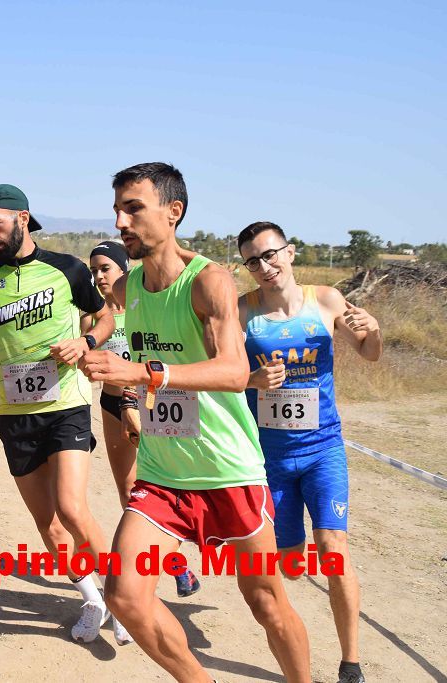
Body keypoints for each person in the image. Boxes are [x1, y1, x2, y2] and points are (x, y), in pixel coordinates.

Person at [79, 162, 311, 682]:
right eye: (117, 209)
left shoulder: (208, 280)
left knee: (266, 602)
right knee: (125, 595)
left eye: (133, 208)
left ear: (173, 211)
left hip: (228, 470)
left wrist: (141, 371)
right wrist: (88, 343)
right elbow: (108, 312)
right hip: (163, 473)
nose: (120, 222)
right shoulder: (130, 284)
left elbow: (233, 370)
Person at [0, 184, 131, 645]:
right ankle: (91, 599)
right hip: (14, 413)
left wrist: (85, 342)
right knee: (49, 526)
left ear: (23, 219)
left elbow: (107, 317)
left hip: (65, 405)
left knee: (73, 508)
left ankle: (124, 600)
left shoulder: (67, 268)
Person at [238, 221, 381, 683]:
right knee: (292, 564)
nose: (265, 266)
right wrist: (251, 380)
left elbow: (369, 353)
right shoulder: (243, 312)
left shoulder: (326, 300)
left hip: (323, 449)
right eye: (253, 260)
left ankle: (350, 663)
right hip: (270, 459)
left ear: (291, 252)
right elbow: (222, 374)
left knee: (333, 549)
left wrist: (372, 329)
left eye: (271, 254)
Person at [87, 240, 200, 600]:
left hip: (154, 407)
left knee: (168, 488)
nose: (99, 276)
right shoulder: (94, 315)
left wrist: (133, 400)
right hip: (110, 405)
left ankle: (170, 560)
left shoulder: (142, 307)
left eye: (106, 268)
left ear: (124, 270)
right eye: (94, 271)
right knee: (130, 491)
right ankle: (177, 570)